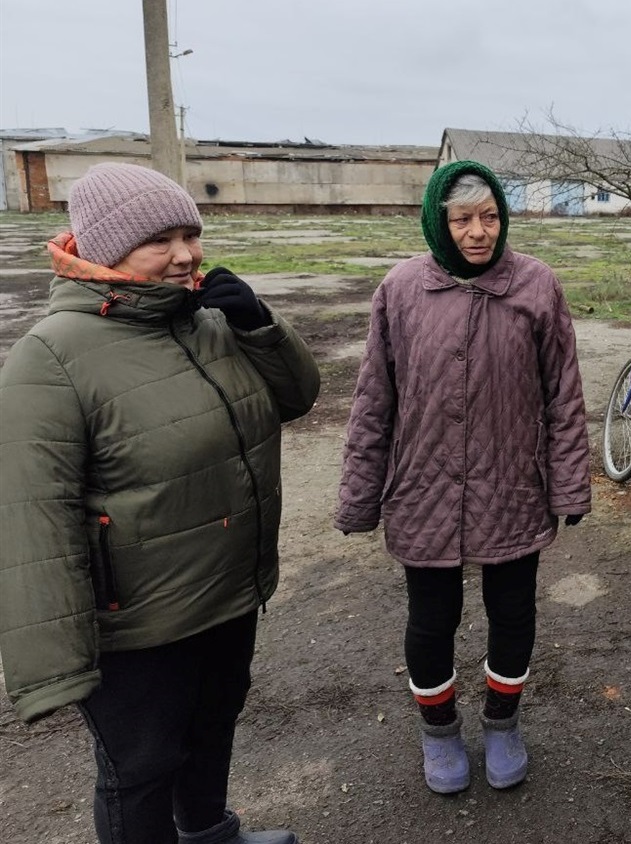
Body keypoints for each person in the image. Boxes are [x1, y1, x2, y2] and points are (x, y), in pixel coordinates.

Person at [0, 162, 320, 844]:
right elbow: (31, 521)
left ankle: (210, 833)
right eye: (161, 240)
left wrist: (259, 324)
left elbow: (294, 399)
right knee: (142, 769)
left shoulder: (204, 319)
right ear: (105, 249)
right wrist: (53, 668)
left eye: (190, 234)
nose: (185, 254)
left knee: (212, 727)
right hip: (138, 626)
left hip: (225, 592)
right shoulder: (49, 359)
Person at [335, 160, 591, 795]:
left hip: (513, 489)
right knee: (430, 619)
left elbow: (564, 395)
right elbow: (374, 399)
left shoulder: (537, 286)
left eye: (490, 217)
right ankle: (440, 732)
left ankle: (502, 723)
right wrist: (360, 494)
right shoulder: (400, 290)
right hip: (425, 487)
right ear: (437, 222)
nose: (478, 232)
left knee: (513, 613)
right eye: (461, 219)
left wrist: (568, 484)